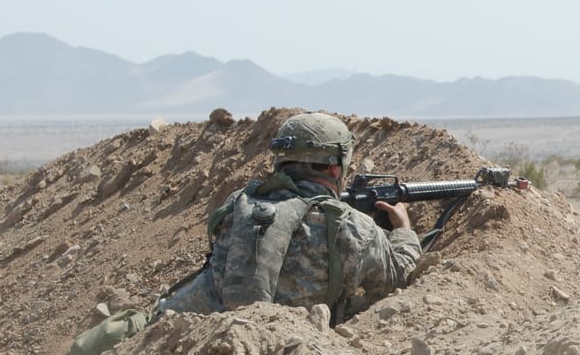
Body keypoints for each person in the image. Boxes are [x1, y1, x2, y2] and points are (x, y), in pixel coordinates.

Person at [156, 111, 422, 324]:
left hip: (201, 331)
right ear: (333, 166)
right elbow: (398, 280)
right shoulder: (353, 227)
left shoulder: (240, 203)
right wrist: (403, 231)